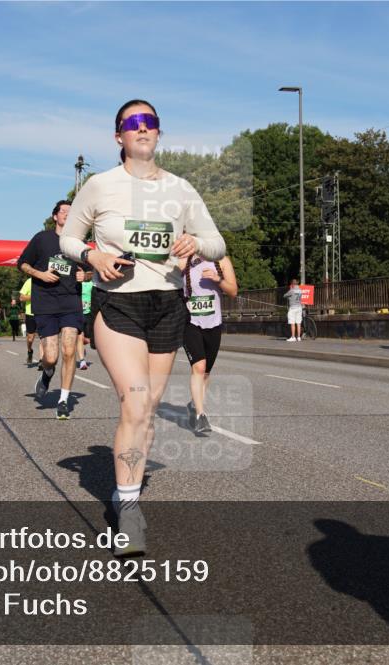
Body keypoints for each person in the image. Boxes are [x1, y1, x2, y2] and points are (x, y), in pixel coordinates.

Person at [60, 99, 225, 554]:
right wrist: (92, 256)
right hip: (119, 305)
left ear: (158, 132)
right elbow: (68, 238)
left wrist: (198, 242)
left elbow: (217, 240)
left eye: (150, 122)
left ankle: (122, 488)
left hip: (168, 304)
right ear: (118, 136)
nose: (142, 128)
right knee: (134, 402)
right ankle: (129, 509)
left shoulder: (181, 189)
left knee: (148, 407)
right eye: (132, 123)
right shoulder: (99, 186)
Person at [19, 199, 89, 420]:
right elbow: (22, 263)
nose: (68, 214)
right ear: (55, 216)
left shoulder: (79, 243)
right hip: (46, 303)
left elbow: (91, 271)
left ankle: (64, 399)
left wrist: (84, 275)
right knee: (51, 356)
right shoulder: (42, 239)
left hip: (70, 302)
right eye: (64, 211)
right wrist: (40, 275)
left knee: (69, 351)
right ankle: (47, 373)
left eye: (72, 211)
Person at [181, 255, 237, 435]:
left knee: (205, 373)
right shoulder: (183, 260)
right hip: (189, 322)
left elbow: (233, 291)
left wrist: (217, 279)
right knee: (199, 366)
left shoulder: (221, 261)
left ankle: (193, 405)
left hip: (213, 323)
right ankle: (200, 415)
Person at [19, 277, 39, 365]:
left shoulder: (47, 280)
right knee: (30, 339)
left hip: (43, 313)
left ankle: (42, 361)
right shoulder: (29, 281)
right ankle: (30, 351)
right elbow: (21, 298)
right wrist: (34, 296)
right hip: (30, 313)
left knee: (43, 338)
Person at [77, 274, 93, 370]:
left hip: (89, 314)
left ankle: (81, 348)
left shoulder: (90, 284)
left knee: (87, 340)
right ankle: (82, 361)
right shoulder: (75, 285)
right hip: (78, 314)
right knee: (80, 336)